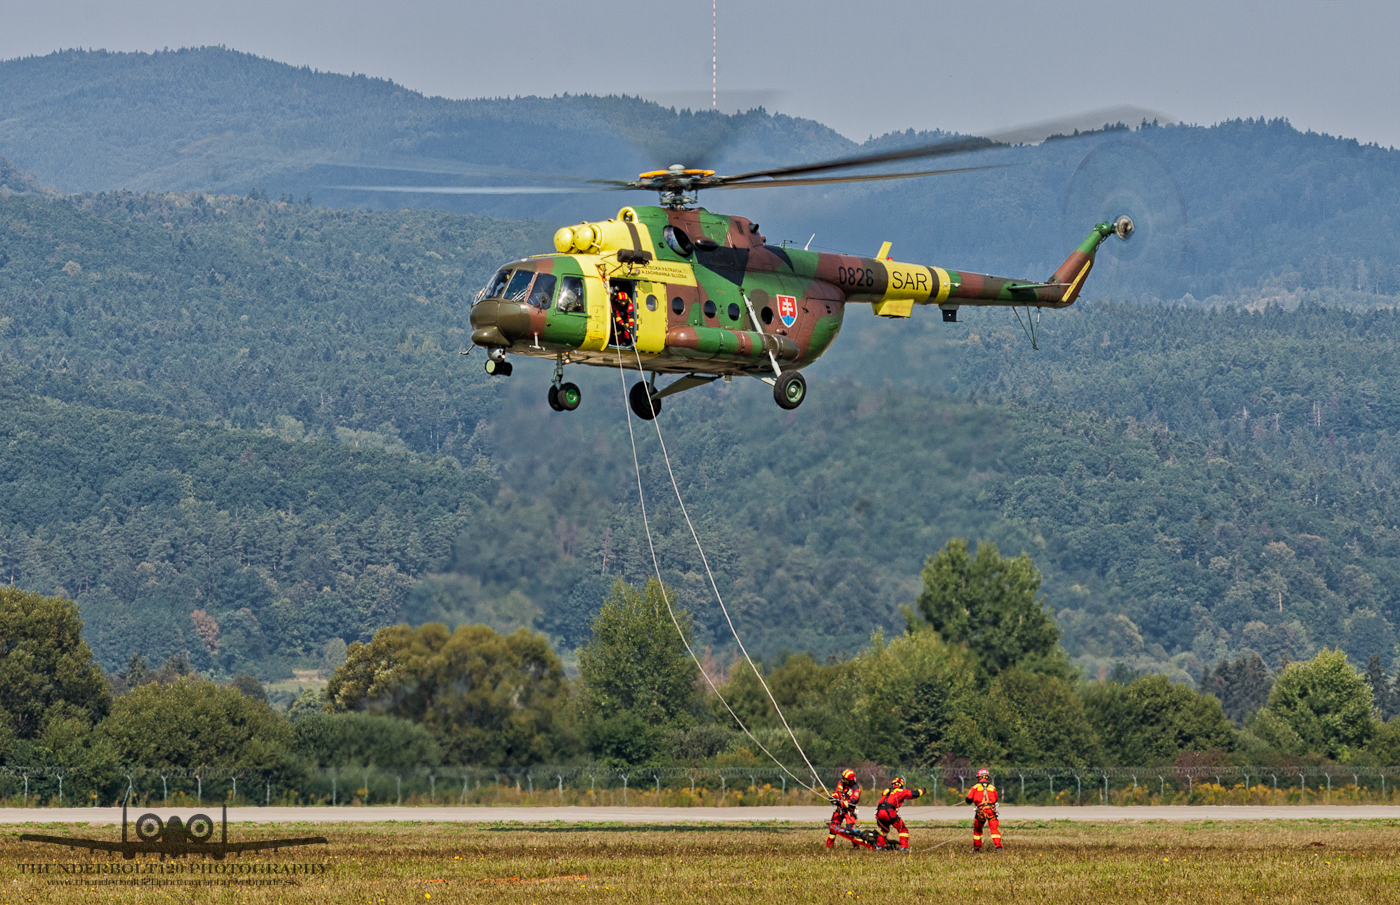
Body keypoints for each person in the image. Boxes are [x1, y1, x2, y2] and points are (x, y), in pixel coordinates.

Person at [875, 777, 925, 851]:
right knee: (903, 829)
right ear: (901, 785)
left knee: (884, 829)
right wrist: (923, 790)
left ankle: (879, 846)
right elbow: (915, 794)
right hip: (889, 812)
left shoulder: (886, 791)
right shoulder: (901, 791)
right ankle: (904, 847)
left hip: (879, 812)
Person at [965, 768, 1003, 852]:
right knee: (994, 830)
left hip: (981, 811)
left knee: (977, 830)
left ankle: (976, 848)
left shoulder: (975, 787)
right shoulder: (992, 788)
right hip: (991, 811)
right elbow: (996, 799)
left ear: (979, 777)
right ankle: (998, 847)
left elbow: (968, 800)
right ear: (987, 777)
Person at [826, 769, 862, 848]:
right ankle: (829, 846)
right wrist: (833, 797)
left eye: (845, 780)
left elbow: (852, 802)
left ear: (851, 780)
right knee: (833, 827)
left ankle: (856, 847)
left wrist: (839, 803)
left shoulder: (856, 789)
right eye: (843, 778)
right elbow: (837, 792)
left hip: (849, 811)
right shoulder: (841, 783)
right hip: (839, 810)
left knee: (850, 829)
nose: (843, 781)